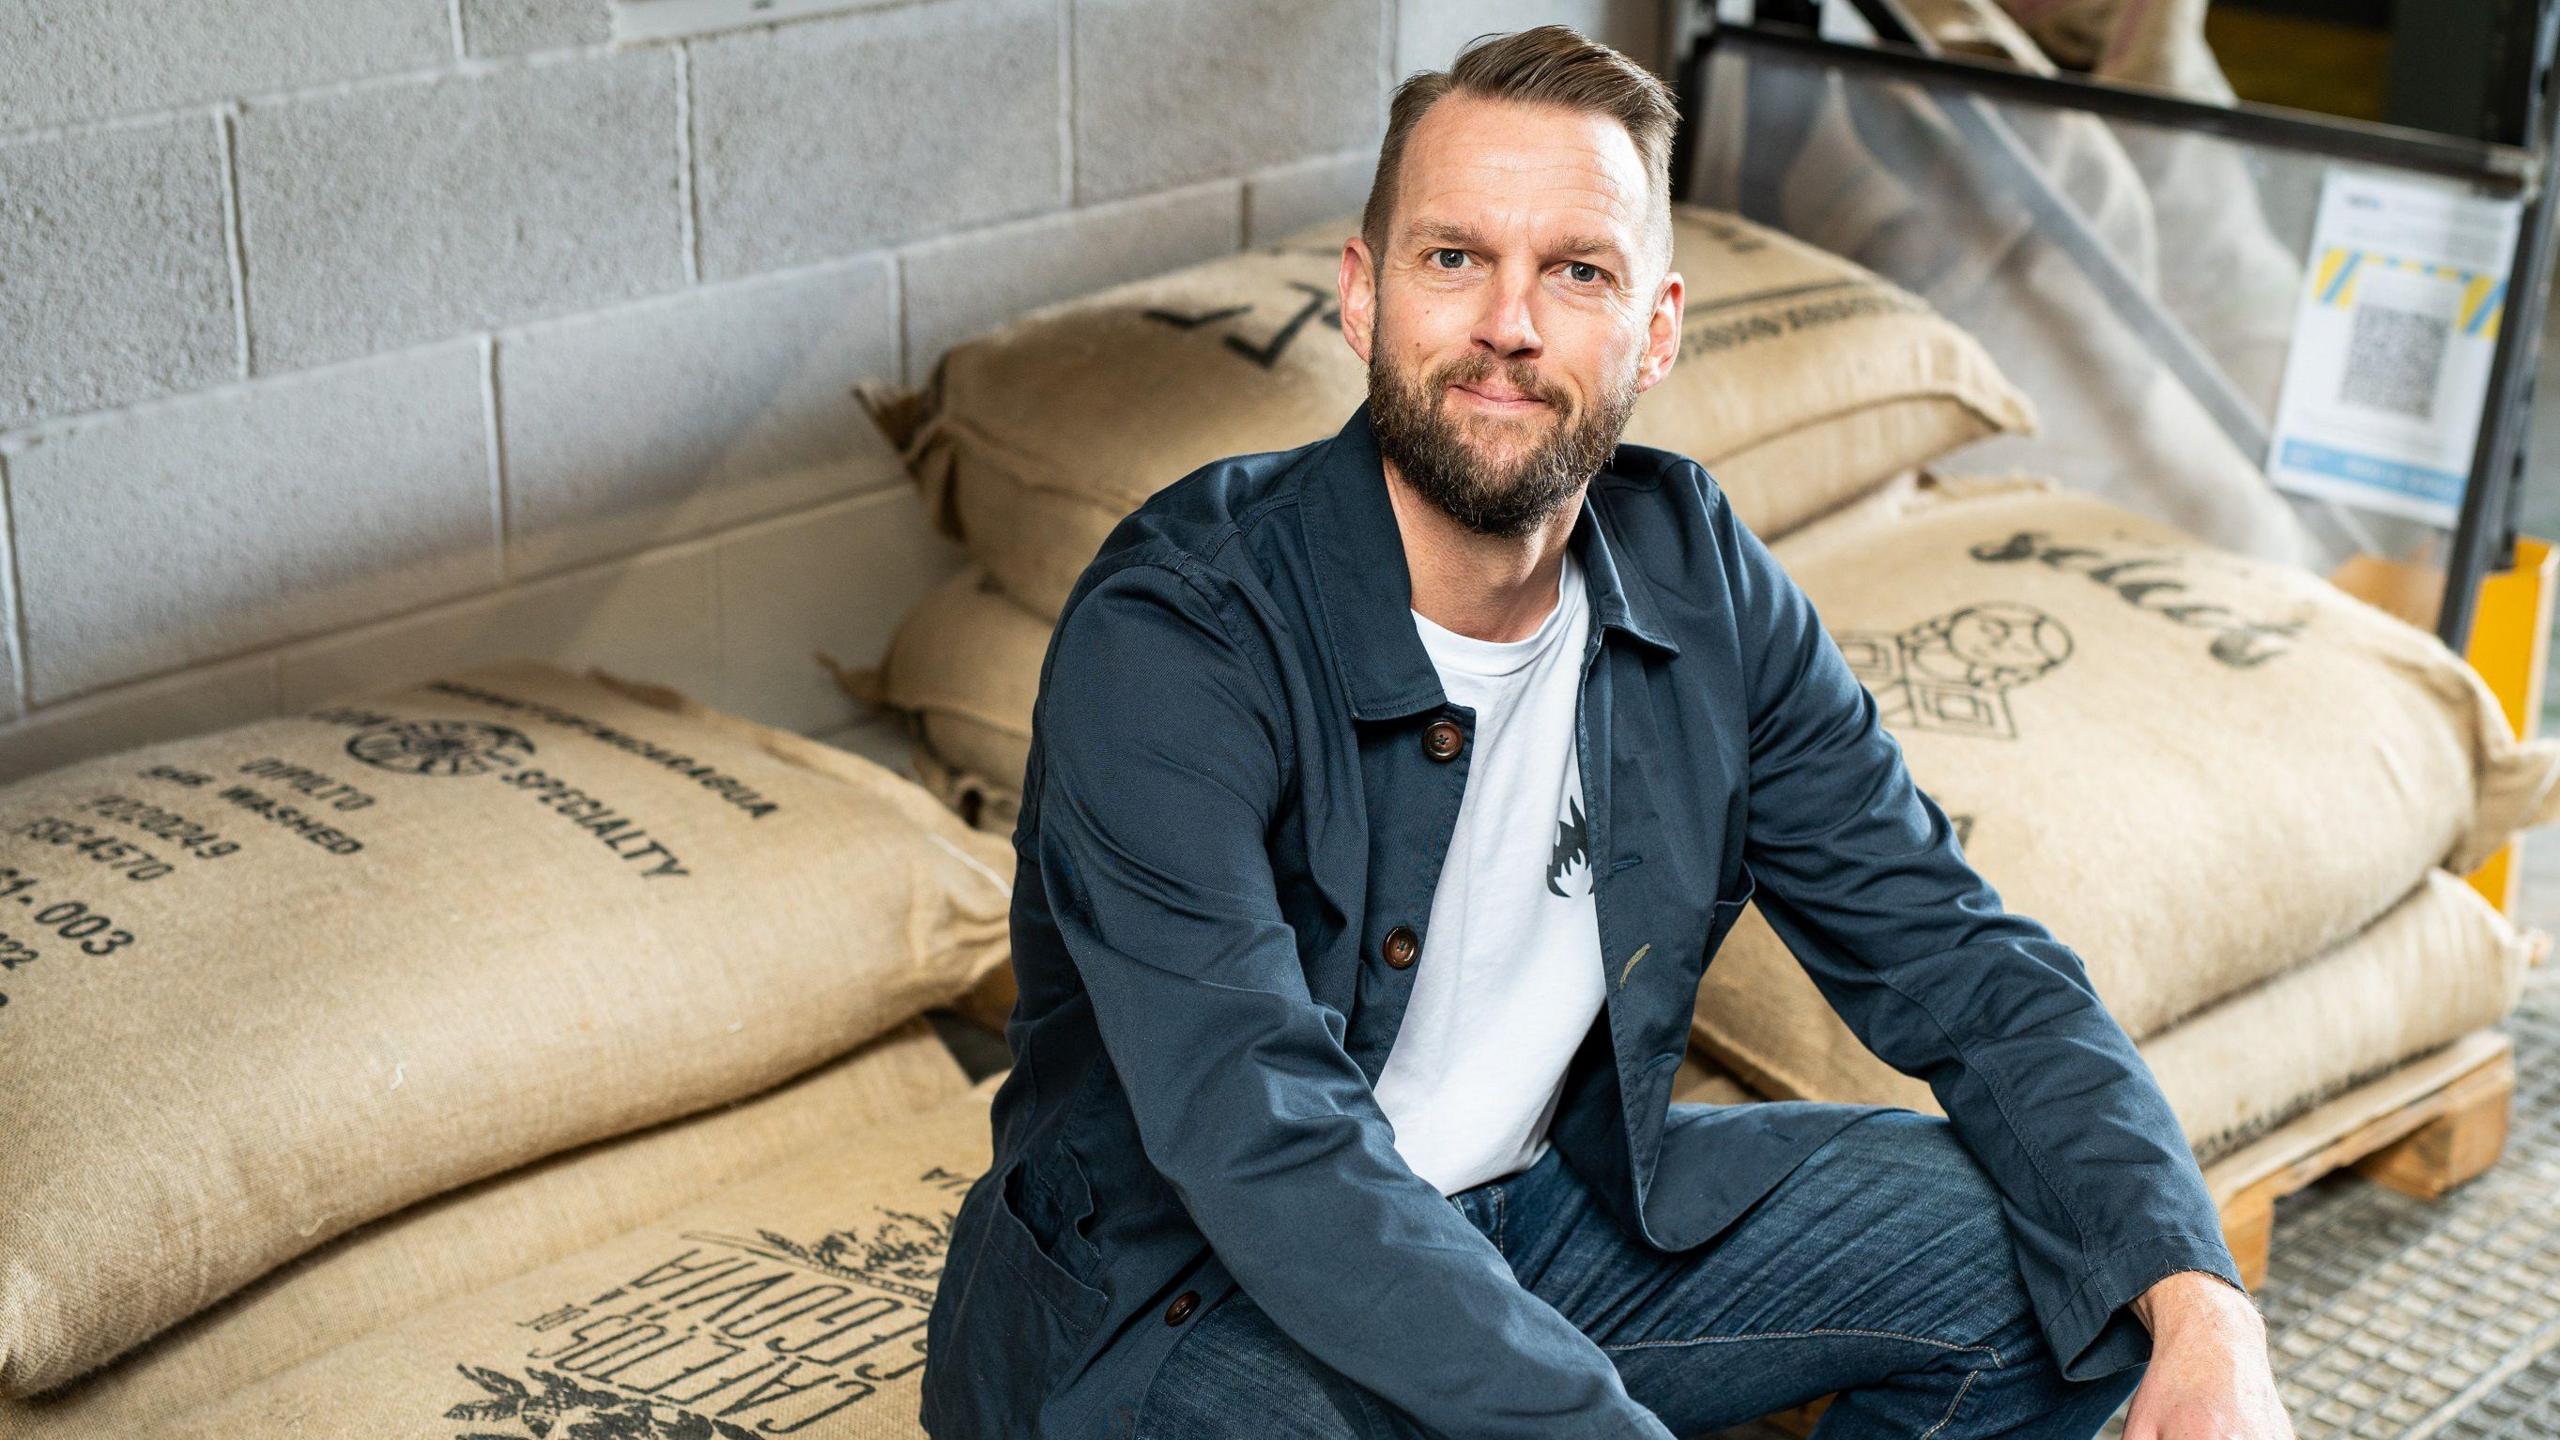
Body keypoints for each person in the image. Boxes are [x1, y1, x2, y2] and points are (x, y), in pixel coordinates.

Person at [918, 24, 2297, 1440]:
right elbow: (1256, 1130)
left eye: (1577, 271)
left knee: (2041, 1260)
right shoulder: (1181, 631)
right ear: (1359, 292)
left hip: (1536, 1227)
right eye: (1453, 259)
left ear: (1658, 327)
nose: (1509, 326)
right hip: (1185, 1302)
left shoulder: (1702, 586)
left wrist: (2202, 1300)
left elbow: (1957, 954)